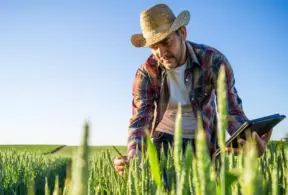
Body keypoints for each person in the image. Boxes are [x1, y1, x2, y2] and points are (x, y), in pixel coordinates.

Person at [114, 4, 272, 176]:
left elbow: (230, 110)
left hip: (204, 139)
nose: (161, 53)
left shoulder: (213, 61)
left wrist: (248, 141)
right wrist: (134, 155)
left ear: (182, 33)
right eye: (154, 46)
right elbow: (140, 119)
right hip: (164, 140)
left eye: (166, 42)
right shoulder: (146, 73)